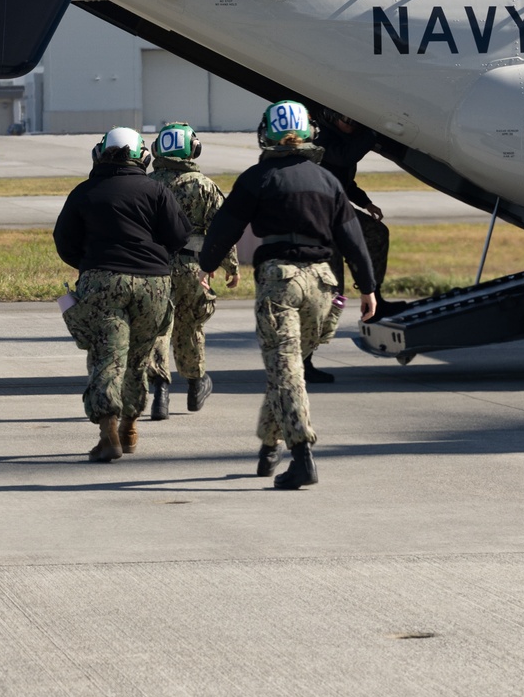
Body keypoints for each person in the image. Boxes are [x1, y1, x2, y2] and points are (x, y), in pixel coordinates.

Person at [198, 100, 376, 490]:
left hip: (281, 282)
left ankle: (303, 458)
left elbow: (225, 227)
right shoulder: (328, 180)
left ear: (267, 134)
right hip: (323, 286)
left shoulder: (256, 179)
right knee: (287, 370)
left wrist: (206, 266)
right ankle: (269, 446)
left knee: (286, 372)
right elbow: (352, 237)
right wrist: (368, 286)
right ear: (310, 132)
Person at [53, 126, 191, 463]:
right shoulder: (156, 191)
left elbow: (64, 242)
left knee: (107, 359)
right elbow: (179, 235)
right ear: (142, 155)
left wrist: (89, 265)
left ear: (100, 153)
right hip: (153, 286)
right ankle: (130, 427)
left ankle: (107, 434)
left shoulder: (84, 192)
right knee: (138, 360)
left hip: (103, 283)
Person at [145, 123, 240, 420]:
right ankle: (196, 384)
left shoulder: (147, 183)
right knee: (189, 328)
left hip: (154, 267)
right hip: (192, 268)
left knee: (158, 328)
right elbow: (221, 230)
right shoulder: (204, 185)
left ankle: (160, 389)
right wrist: (230, 266)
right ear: (193, 149)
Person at [313, 111, 403, 323]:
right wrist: (373, 132)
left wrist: (365, 202)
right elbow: (344, 157)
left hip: (337, 208)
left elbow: (343, 179)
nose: (352, 126)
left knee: (377, 233)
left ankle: (374, 301)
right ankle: (319, 327)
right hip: (320, 213)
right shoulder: (322, 137)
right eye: (348, 121)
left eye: (356, 122)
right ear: (333, 117)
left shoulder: (342, 136)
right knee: (333, 279)